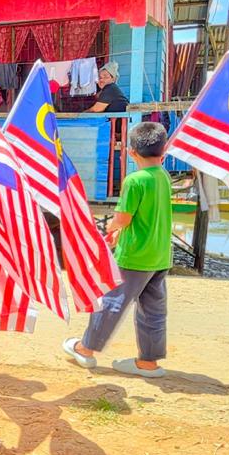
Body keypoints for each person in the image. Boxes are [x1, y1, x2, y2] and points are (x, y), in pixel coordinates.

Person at [62, 122, 172, 378]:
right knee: (153, 309)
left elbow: (123, 218)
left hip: (134, 255)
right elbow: (147, 216)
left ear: (131, 152)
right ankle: (148, 362)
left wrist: (110, 230)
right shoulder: (163, 177)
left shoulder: (135, 180)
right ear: (163, 152)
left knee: (111, 302)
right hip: (159, 255)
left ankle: (86, 349)